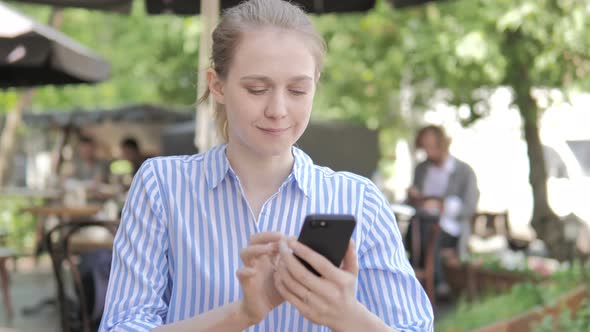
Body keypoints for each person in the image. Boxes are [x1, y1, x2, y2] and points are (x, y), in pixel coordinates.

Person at [100, 1, 433, 331]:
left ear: (315, 84)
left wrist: (348, 317)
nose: (278, 109)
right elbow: (123, 326)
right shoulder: (162, 185)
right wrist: (242, 314)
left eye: (298, 90)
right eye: (256, 89)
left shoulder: (360, 200)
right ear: (217, 85)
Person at [407, 125, 479, 295]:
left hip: (451, 229)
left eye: (431, 147)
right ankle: (431, 282)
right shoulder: (422, 169)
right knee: (415, 228)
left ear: (442, 144)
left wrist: (443, 206)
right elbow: (414, 204)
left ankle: (431, 280)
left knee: (428, 231)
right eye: (425, 148)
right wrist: (413, 196)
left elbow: (469, 207)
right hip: (422, 223)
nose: (428, 152)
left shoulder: (464, 171)